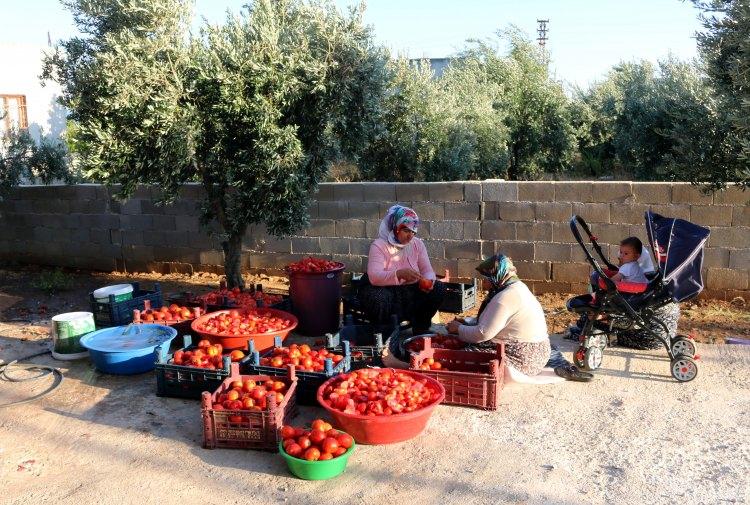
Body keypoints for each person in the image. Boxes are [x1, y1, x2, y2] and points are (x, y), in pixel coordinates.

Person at [446, 254, 591, 381]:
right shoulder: (516, 287)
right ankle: (559, 364)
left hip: (523, 358)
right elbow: (496, 319)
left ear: (497, 277)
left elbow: (482, 334)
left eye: (486, 278)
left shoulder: (504, 298)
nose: (483, 283)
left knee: (461, 356)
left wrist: (459, 329)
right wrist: (467, 322)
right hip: (541, 351)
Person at [357, 204, 446, 335]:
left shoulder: (417, 244)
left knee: (439, 288)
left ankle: (421, 327)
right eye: (406, 231)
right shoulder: (379, 245)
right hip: (385, 290)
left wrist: (429, 281)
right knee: (378, 297)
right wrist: (398, 274)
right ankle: (384, 332)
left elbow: (427, 269)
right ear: (395, 228)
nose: (410, 236)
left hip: (408, 292)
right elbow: (374, 277)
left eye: (413, 232)